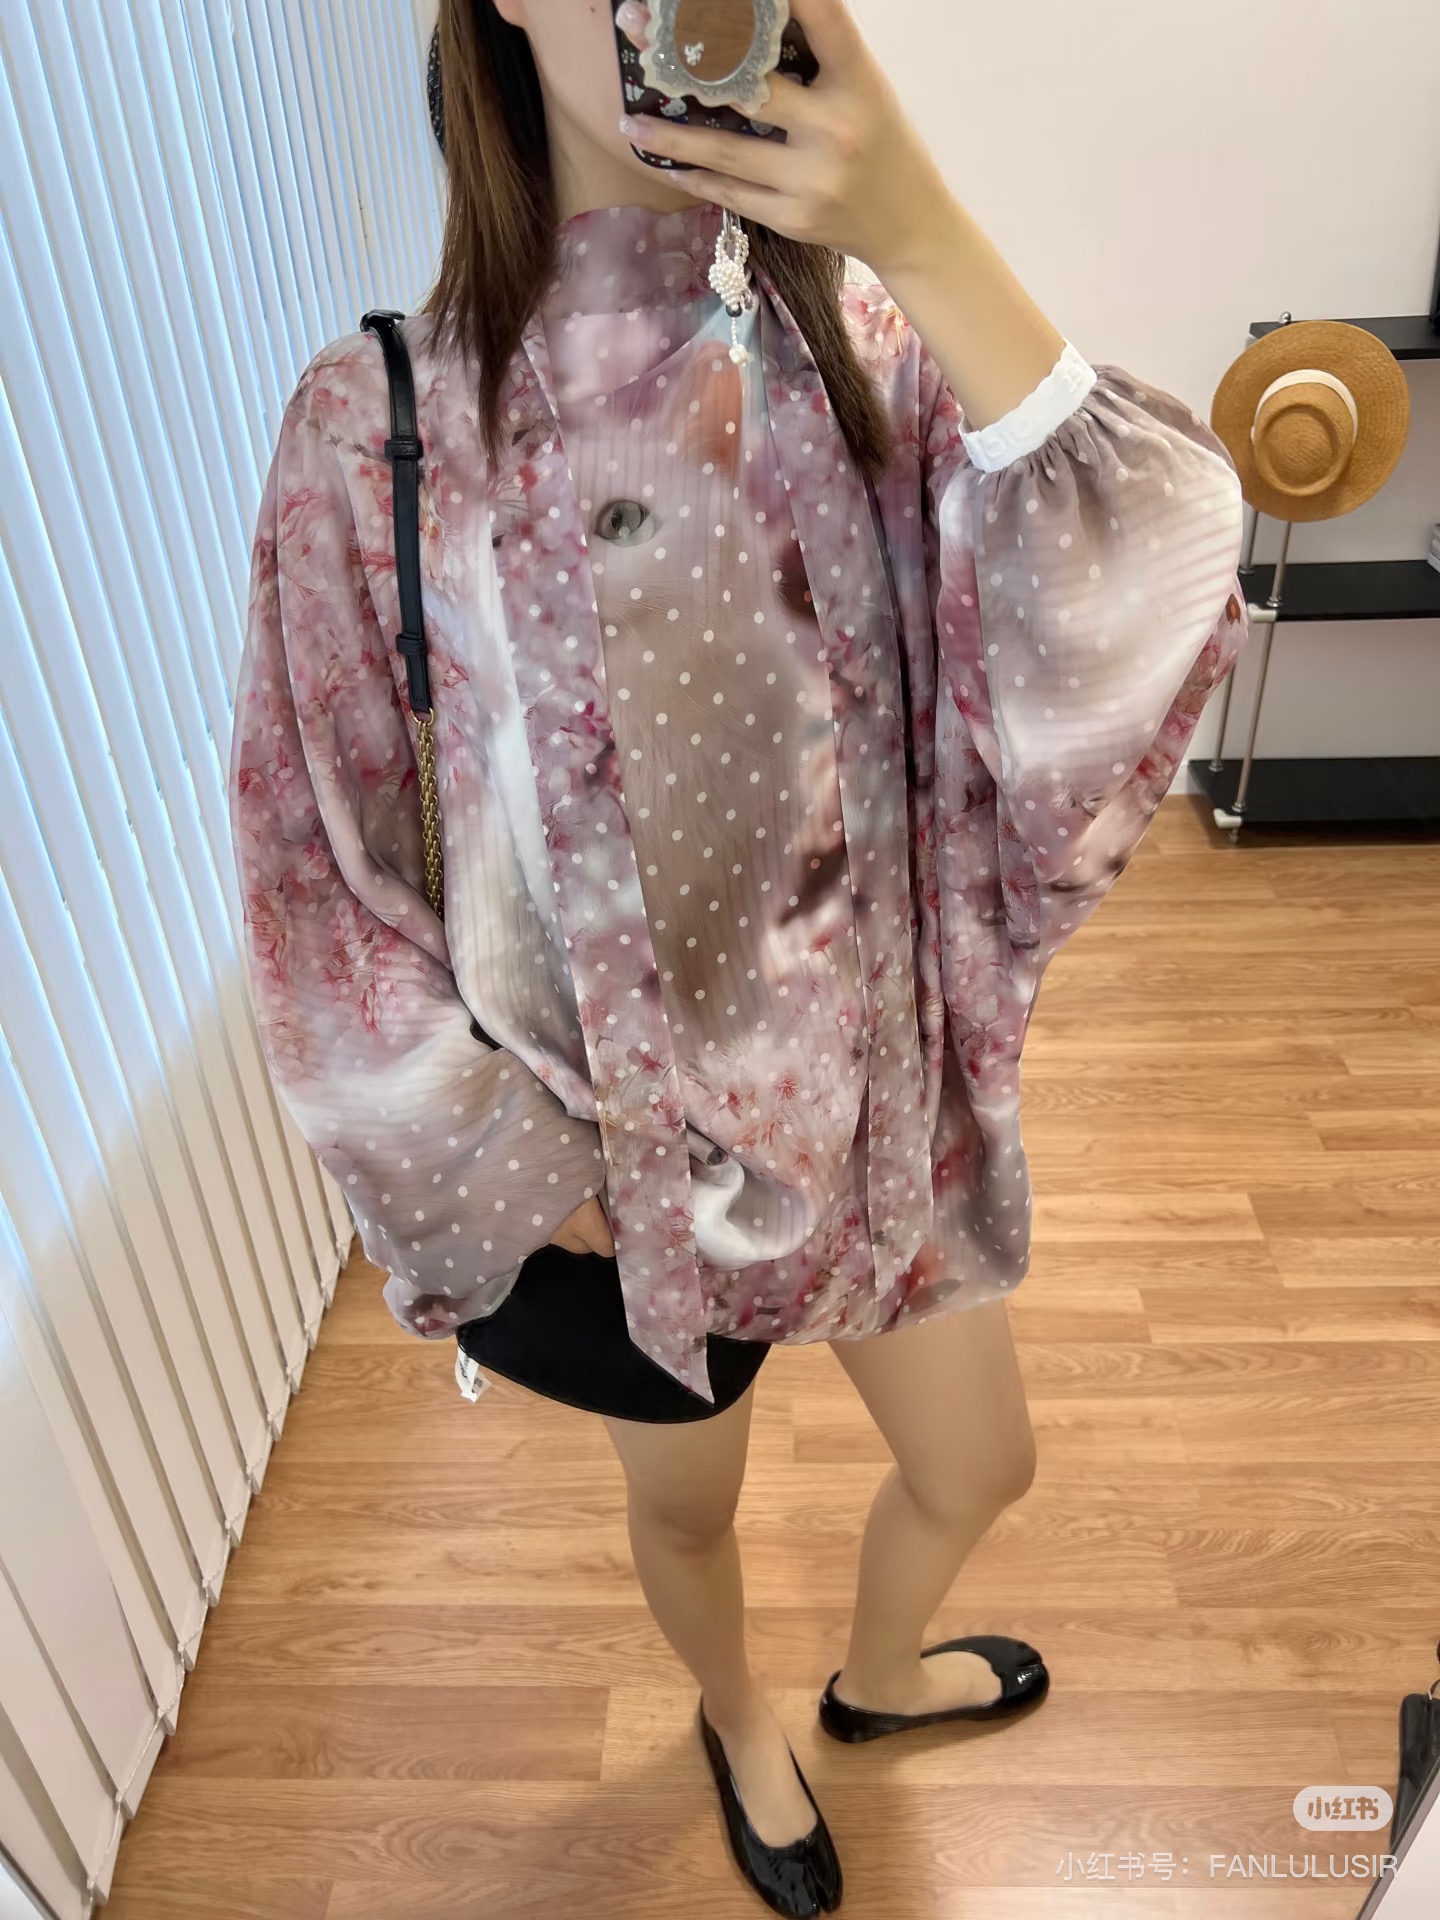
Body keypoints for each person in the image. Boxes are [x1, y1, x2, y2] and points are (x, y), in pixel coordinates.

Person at [229, 2, 1249, 1911]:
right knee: (690, 1517)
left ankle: (879, 1674)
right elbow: (315, 866)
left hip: (870, 1127)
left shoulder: (863, 352)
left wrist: (919, 230)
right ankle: (743, 1717)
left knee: (980, 1468)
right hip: (620, 1199)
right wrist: (521, 1172)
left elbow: (1123, 614)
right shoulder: (370, 433)